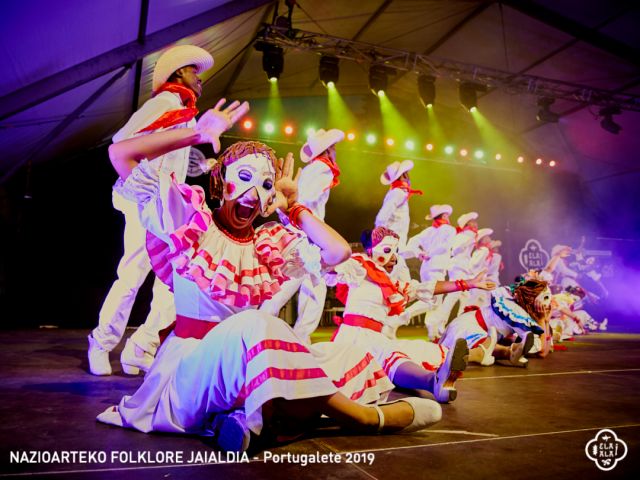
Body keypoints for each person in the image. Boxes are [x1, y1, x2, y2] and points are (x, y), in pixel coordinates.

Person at [96, 101, 442, 452]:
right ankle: (363, 418)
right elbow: (120, 153)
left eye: (265, 185)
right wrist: (197, 134)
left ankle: (237, 420)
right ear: (222, 182)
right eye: (244, 178)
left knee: (344, 353)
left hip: (244, 366)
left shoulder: (267, 243)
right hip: (192, 371)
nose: (254, 193)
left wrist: (294, 208)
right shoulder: (189, 219)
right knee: (256, 324)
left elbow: (337, 253)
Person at [88, 45, 214, 376]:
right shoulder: (163, 105)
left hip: (169, 205)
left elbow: (170, 162)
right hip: (146, 201)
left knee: (176, 282)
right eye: (194, 72)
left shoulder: (186, 115)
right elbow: (123, 141)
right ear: (179, 73)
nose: (199, 79)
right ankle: (101, 343)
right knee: (132, 275)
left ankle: (141, 346)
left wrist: (202, 166)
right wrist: (145, 186)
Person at [328, 226, 496, 402]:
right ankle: (434, 382)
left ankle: (456, 366)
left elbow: (426, 288)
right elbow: (332, 264)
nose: (394, 257)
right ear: (371, 250)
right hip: (353, 337)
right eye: (387, 251)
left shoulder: (391, 283)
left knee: (416, 350)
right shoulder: (358, 266)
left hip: (375, 337)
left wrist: (468, 283)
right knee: (389, 356)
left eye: (395, 251)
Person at [260, 128, 344, 344]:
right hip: (306, 235)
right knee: (290, 280)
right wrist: (310, 230)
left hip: (305, 233)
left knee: (314, 285)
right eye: (333, 148)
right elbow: (305, 201)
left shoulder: (313, 169)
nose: (335, 152)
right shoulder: (321, 170)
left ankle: (299, 338)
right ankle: (261, 326)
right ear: (328, 150)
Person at [440, 279, 551, 367]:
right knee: (484, 348)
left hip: (479, 330)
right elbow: (541, 350)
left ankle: (510, 352)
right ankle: (507, 352)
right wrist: (542, 320)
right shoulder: (516, 312)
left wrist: (546, 321)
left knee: (497, 343)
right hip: (468, 327)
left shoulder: (524, 315)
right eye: (545, 298)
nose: (548, 303)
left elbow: (544, 351)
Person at [404, 204, 457, 338]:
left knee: (435, 303)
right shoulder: (449, 230)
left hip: (426, 268)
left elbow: (412, 242)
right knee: (432, 301)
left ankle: (433, 334)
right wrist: (427, 253)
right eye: (447, 215)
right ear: (444, 216)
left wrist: (419, 253)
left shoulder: (428, 231)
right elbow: (446, 247)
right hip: (437, 268)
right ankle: (406, 314)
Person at [375, 160, 422, 282]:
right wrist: (383, 239)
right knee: (390, 283)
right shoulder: (397, 193)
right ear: (403, 176)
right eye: (407, 174)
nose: (409, 177)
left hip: (397, 248)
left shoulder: (399, 193)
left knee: (405, 286)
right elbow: (381, 218)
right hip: (393, 246)